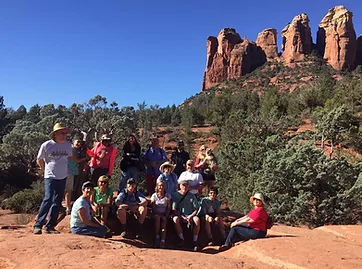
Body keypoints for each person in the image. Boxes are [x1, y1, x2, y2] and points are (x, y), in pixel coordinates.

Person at [33, 122, 74, 235]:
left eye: (65, 133)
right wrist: (44, 169)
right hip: (50, 176)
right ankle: (38, 225)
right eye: (62, 133)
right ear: (55, 134)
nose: (64, 135)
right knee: (48, 199)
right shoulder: (46, 145)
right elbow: (39, 159)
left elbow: (69, 158)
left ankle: (50, 226)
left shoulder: (68, 145)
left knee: (57, 202)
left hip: (63, 176)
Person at [171, 178, 200, 251]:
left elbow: (196, 209)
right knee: (175, 219)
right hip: (180, 214)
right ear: (179, 186)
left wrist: (190, 216)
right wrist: (182, 216)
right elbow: (174, 208)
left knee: (197, 220)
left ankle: (195, 240)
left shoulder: (192, 196)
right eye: (183, 185)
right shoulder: (175, 195)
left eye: (186, 185)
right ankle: (181, 239)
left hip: (190, 215)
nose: (185, 187)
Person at [65, 138, 88, 215]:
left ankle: (68, 205)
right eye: (78, 142)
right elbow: (76, 160)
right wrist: (85, 158)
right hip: (68, 172)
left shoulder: (75, 150)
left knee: (69, 189)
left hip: (71, 172)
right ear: (73, 142)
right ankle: (68, 207)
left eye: (80, 143)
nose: (79, 144)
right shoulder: (70, 149)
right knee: (68, 190)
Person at [150, 181, 171, 248]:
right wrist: (160, 215)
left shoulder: (168, 196)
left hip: (165, 214)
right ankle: (157, 238)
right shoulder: (154, 196)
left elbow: (168, 207)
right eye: (160, 185)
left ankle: (162, 241)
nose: (161, 187)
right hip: (156, 214)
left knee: (164, 223)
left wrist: (166, 216)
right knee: (158, 218)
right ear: (157, 186)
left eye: (162, 186)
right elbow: (153, 208)